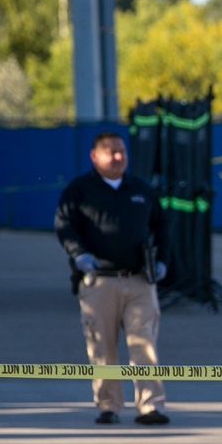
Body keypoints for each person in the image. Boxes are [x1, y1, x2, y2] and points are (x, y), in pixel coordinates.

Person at [55, 131, 171, 426]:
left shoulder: (141, 189)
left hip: (139, 282)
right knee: (102, 347)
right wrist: (79, 254)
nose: (118, 157)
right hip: (99, 282)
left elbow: (163, 228)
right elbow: (65, 226)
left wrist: (162, 262)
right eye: (110, 152)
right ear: (94, 156)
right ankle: (108, 406)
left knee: (144, 343)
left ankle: (150, 406)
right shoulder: (78, 190)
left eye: (122, 151)